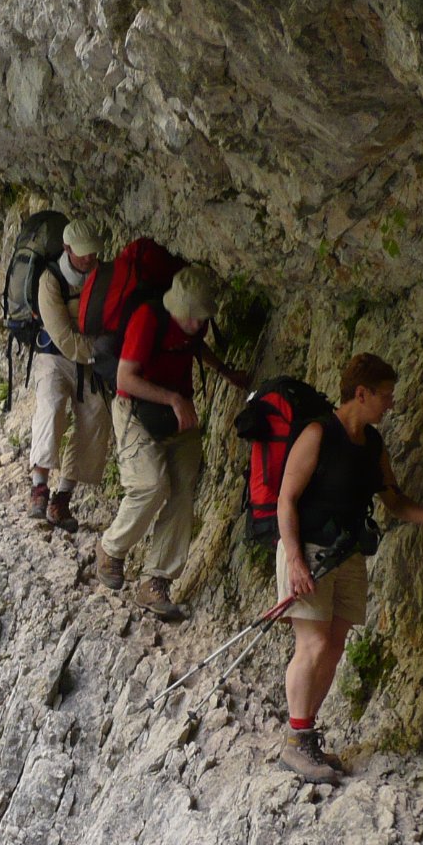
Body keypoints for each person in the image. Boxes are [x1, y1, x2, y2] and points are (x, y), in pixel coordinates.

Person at [274, 352, 423, 783]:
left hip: (347, 555)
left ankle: (305, 738)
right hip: (308, 551)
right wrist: (294, 560)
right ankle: (295, 743)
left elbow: (393, 501)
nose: (391, 404)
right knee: (312, 644)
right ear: (360, 393)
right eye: (385, 395)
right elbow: (285, 500)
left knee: (335, 644)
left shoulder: (372, 444)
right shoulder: (318, 433)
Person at [96, 264, 248, 620]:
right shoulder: (149, 320)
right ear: (176, 306)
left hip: (175, 414)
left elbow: (196, 347)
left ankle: (156, 581)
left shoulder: (194, 324)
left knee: (182, 492)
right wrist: (174, 399)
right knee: (150, 485)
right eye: (193, 317)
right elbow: (125, 379)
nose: (198, 325)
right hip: (136, 409)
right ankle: (111, 548)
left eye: (203, 318)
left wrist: (225, 371)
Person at [27, 218, 108, 532]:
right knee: (51, 406)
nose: (89, 258)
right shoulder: (50, 280)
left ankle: (62, 499)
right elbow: (62, 335)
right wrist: (102, 352)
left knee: (97, 417)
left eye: (93, 253)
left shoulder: (99, 275)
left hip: (88, 360)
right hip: (55, 357)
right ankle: (39, 487)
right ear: (67, 248)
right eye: (83, 253)